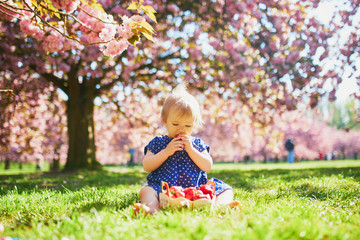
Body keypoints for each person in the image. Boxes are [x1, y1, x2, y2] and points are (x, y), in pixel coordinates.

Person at [133, 83, 241, 215]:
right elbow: (147, 166)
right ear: (165, 121)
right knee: (146, 191)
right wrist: (166, 152)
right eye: (175, 124)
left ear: (195, 124)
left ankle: (220, 207)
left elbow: (207, 165)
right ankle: (153, 210)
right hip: (164, 191)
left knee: (225, 189)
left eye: (188, 125)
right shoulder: (158, 143)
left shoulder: (197, 144)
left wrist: (191, 150)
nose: (181, 129)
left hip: (196, 189)